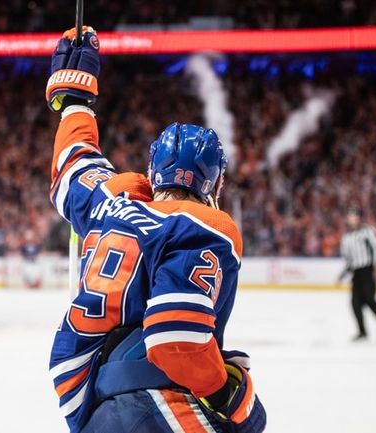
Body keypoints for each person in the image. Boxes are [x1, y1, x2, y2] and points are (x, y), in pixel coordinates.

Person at [45, 27, 266, 433]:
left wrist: (75, 101)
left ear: (153, 173)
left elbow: (73, 167)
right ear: (216, 184)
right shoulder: (203, 225)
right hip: (159, 406)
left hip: (92, 401)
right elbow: (174, 337)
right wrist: (230, 395)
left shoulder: (108, 202)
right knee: (250, 421)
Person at [337, 208, 376, 341]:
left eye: (355, 217)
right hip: (356, 273)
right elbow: (348, 259)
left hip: (368, 270)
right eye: (350, 217)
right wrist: (343, 274)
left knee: (370, 300)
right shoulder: (346, 238)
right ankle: (362, 332)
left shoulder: (368, 232)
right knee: (355, 303)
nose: (352, 220)